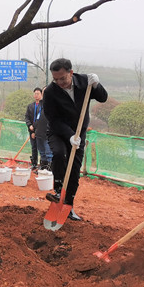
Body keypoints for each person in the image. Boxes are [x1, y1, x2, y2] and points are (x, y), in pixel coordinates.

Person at [42, 59, 108, 221]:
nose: (59, 82)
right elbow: (53, 119)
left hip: (79, 134)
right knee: (59, 154)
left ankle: (68, 206)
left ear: (71, 73)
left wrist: (97, 85)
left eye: (62, 78)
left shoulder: (85, 82)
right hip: (58, 132)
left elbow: (103, 98)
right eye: (55, 79)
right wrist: (69, 135)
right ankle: (59, 191)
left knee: (74, 170)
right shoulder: (50, 92)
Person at [25, 87, 52, 171]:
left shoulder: (52, 104)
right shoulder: (37, 105)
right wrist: (33, 130)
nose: (36, 95)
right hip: (38, 132)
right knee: (41, 151)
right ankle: (42, 167)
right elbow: (36, 119)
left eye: (38, 93)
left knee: (48, 152)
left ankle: (49, 169)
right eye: (35, 93)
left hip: (47, 134)